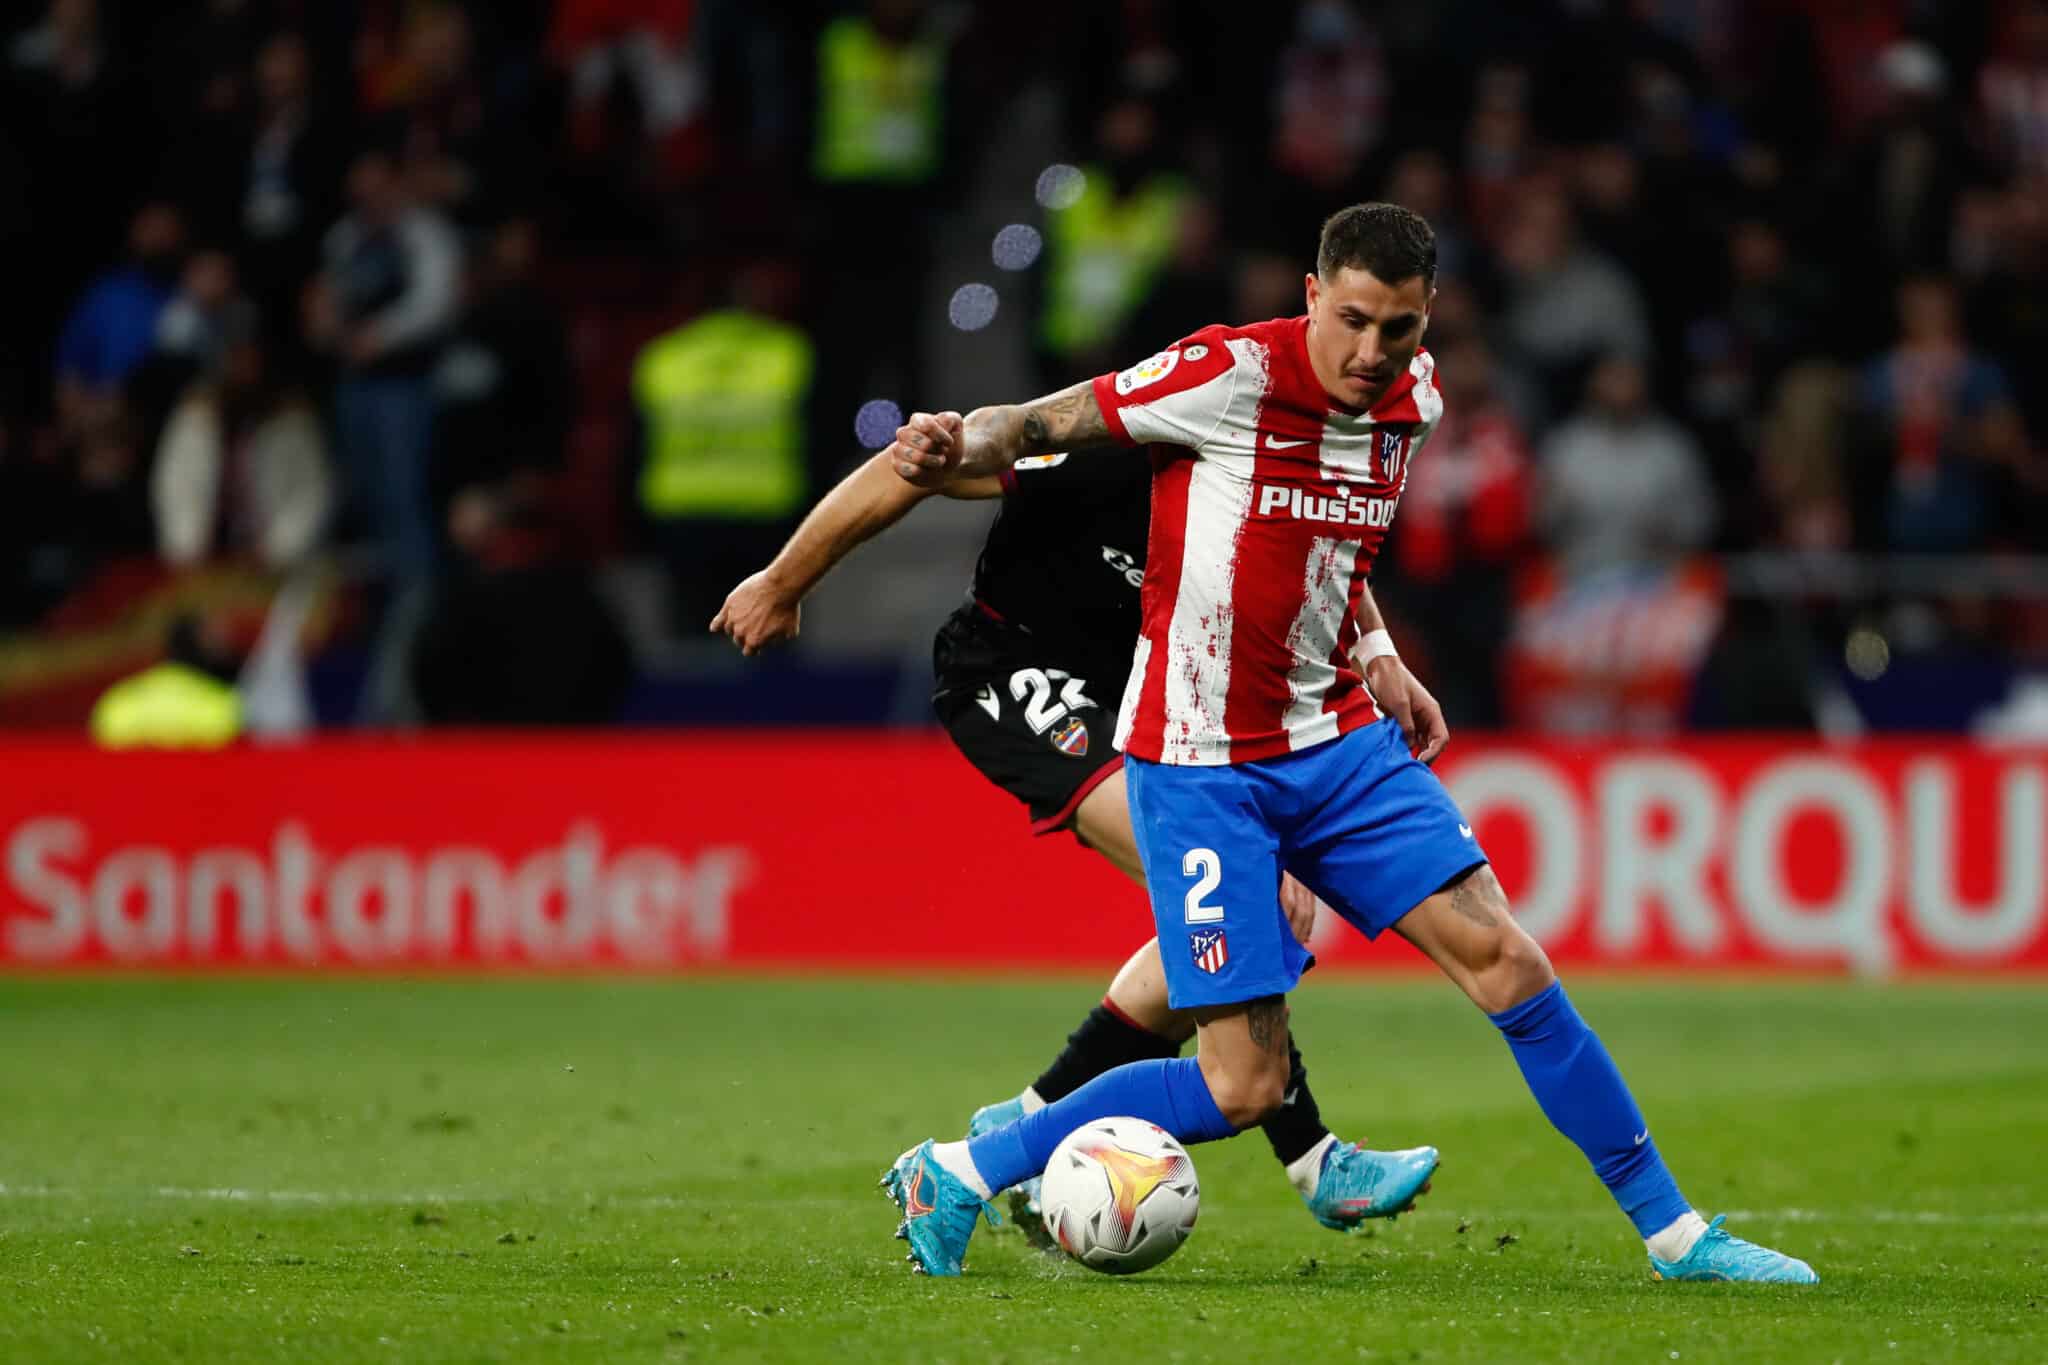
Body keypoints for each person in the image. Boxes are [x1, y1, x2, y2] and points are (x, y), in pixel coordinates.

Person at [877, 202, 1817, 1284]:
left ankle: (1676, 1238)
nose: (1374, 353)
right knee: (1239, 1086)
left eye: (1400, 328)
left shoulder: (1413, 403)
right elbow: (1036, 427)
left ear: (1428, 321)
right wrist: (955, 438)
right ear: (1313, 295)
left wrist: (1375, 655)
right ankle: (960, 1167)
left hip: (1333, 741)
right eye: (1355, 321)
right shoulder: (1220, 375)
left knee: (1505, 958)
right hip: (1198, 763)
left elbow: (1326, 544)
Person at [712, 439, 1436, 1240]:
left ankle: (1020, 1122)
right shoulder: (1101, 452)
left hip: (1146, 702)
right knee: (1245, 899)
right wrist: (781, 582)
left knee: (1213, 925)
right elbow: (907, 469)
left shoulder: (1255, 484)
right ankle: (1315, 1160)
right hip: (1012, 668)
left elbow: (1324, 553)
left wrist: (1376, 650)